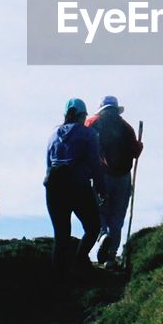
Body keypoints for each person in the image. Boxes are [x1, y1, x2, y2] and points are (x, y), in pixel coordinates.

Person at [44, 97, 106, 280]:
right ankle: (79, 261)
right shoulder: (88, 135)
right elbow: (96, 165)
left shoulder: (53, 135)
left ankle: (58, 280)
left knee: (61, 236)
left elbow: (48, 165)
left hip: (53, 189)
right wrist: (102, 190)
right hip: (78, 187)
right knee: (93, 227)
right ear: (82, 115)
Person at [86, 95, 142, 266]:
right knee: (117, 217)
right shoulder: (127, 128)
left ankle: (103, 235)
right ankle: (111, 257)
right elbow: (135, 152)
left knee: (99, 211)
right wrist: (140, 146)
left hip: (102, 177)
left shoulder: (93, 122)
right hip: (123, 178)